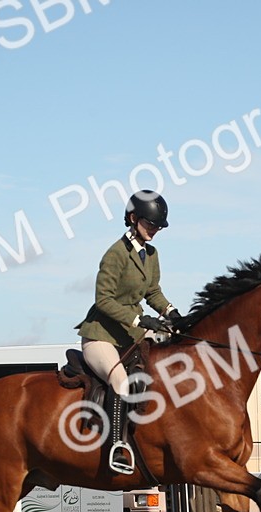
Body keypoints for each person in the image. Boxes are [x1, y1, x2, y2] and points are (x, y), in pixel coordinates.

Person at [76, 190, 184, 474]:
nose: (155, 230)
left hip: (131, 335)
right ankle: (116, 446)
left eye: (158, 227)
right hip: (101, 335)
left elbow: (153, 291)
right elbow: (103, 300)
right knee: (121, 382)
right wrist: (140, 320)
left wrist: (172, 312)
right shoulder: (115, 254)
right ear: (133, 218)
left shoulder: (151, 254)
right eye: (150, 224)